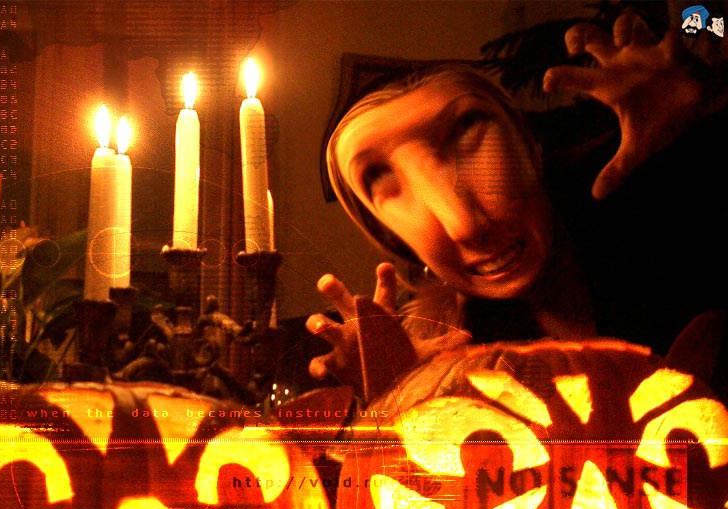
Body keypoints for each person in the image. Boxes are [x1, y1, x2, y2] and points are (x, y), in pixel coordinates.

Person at [308, 12, 728, 399]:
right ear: (388, 235)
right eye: (379, 177)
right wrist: (399, 395)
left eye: (467, 129)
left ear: (529, 144)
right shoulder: (440, 354)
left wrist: (709, 118)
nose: (464, 226)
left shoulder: (679, 219)